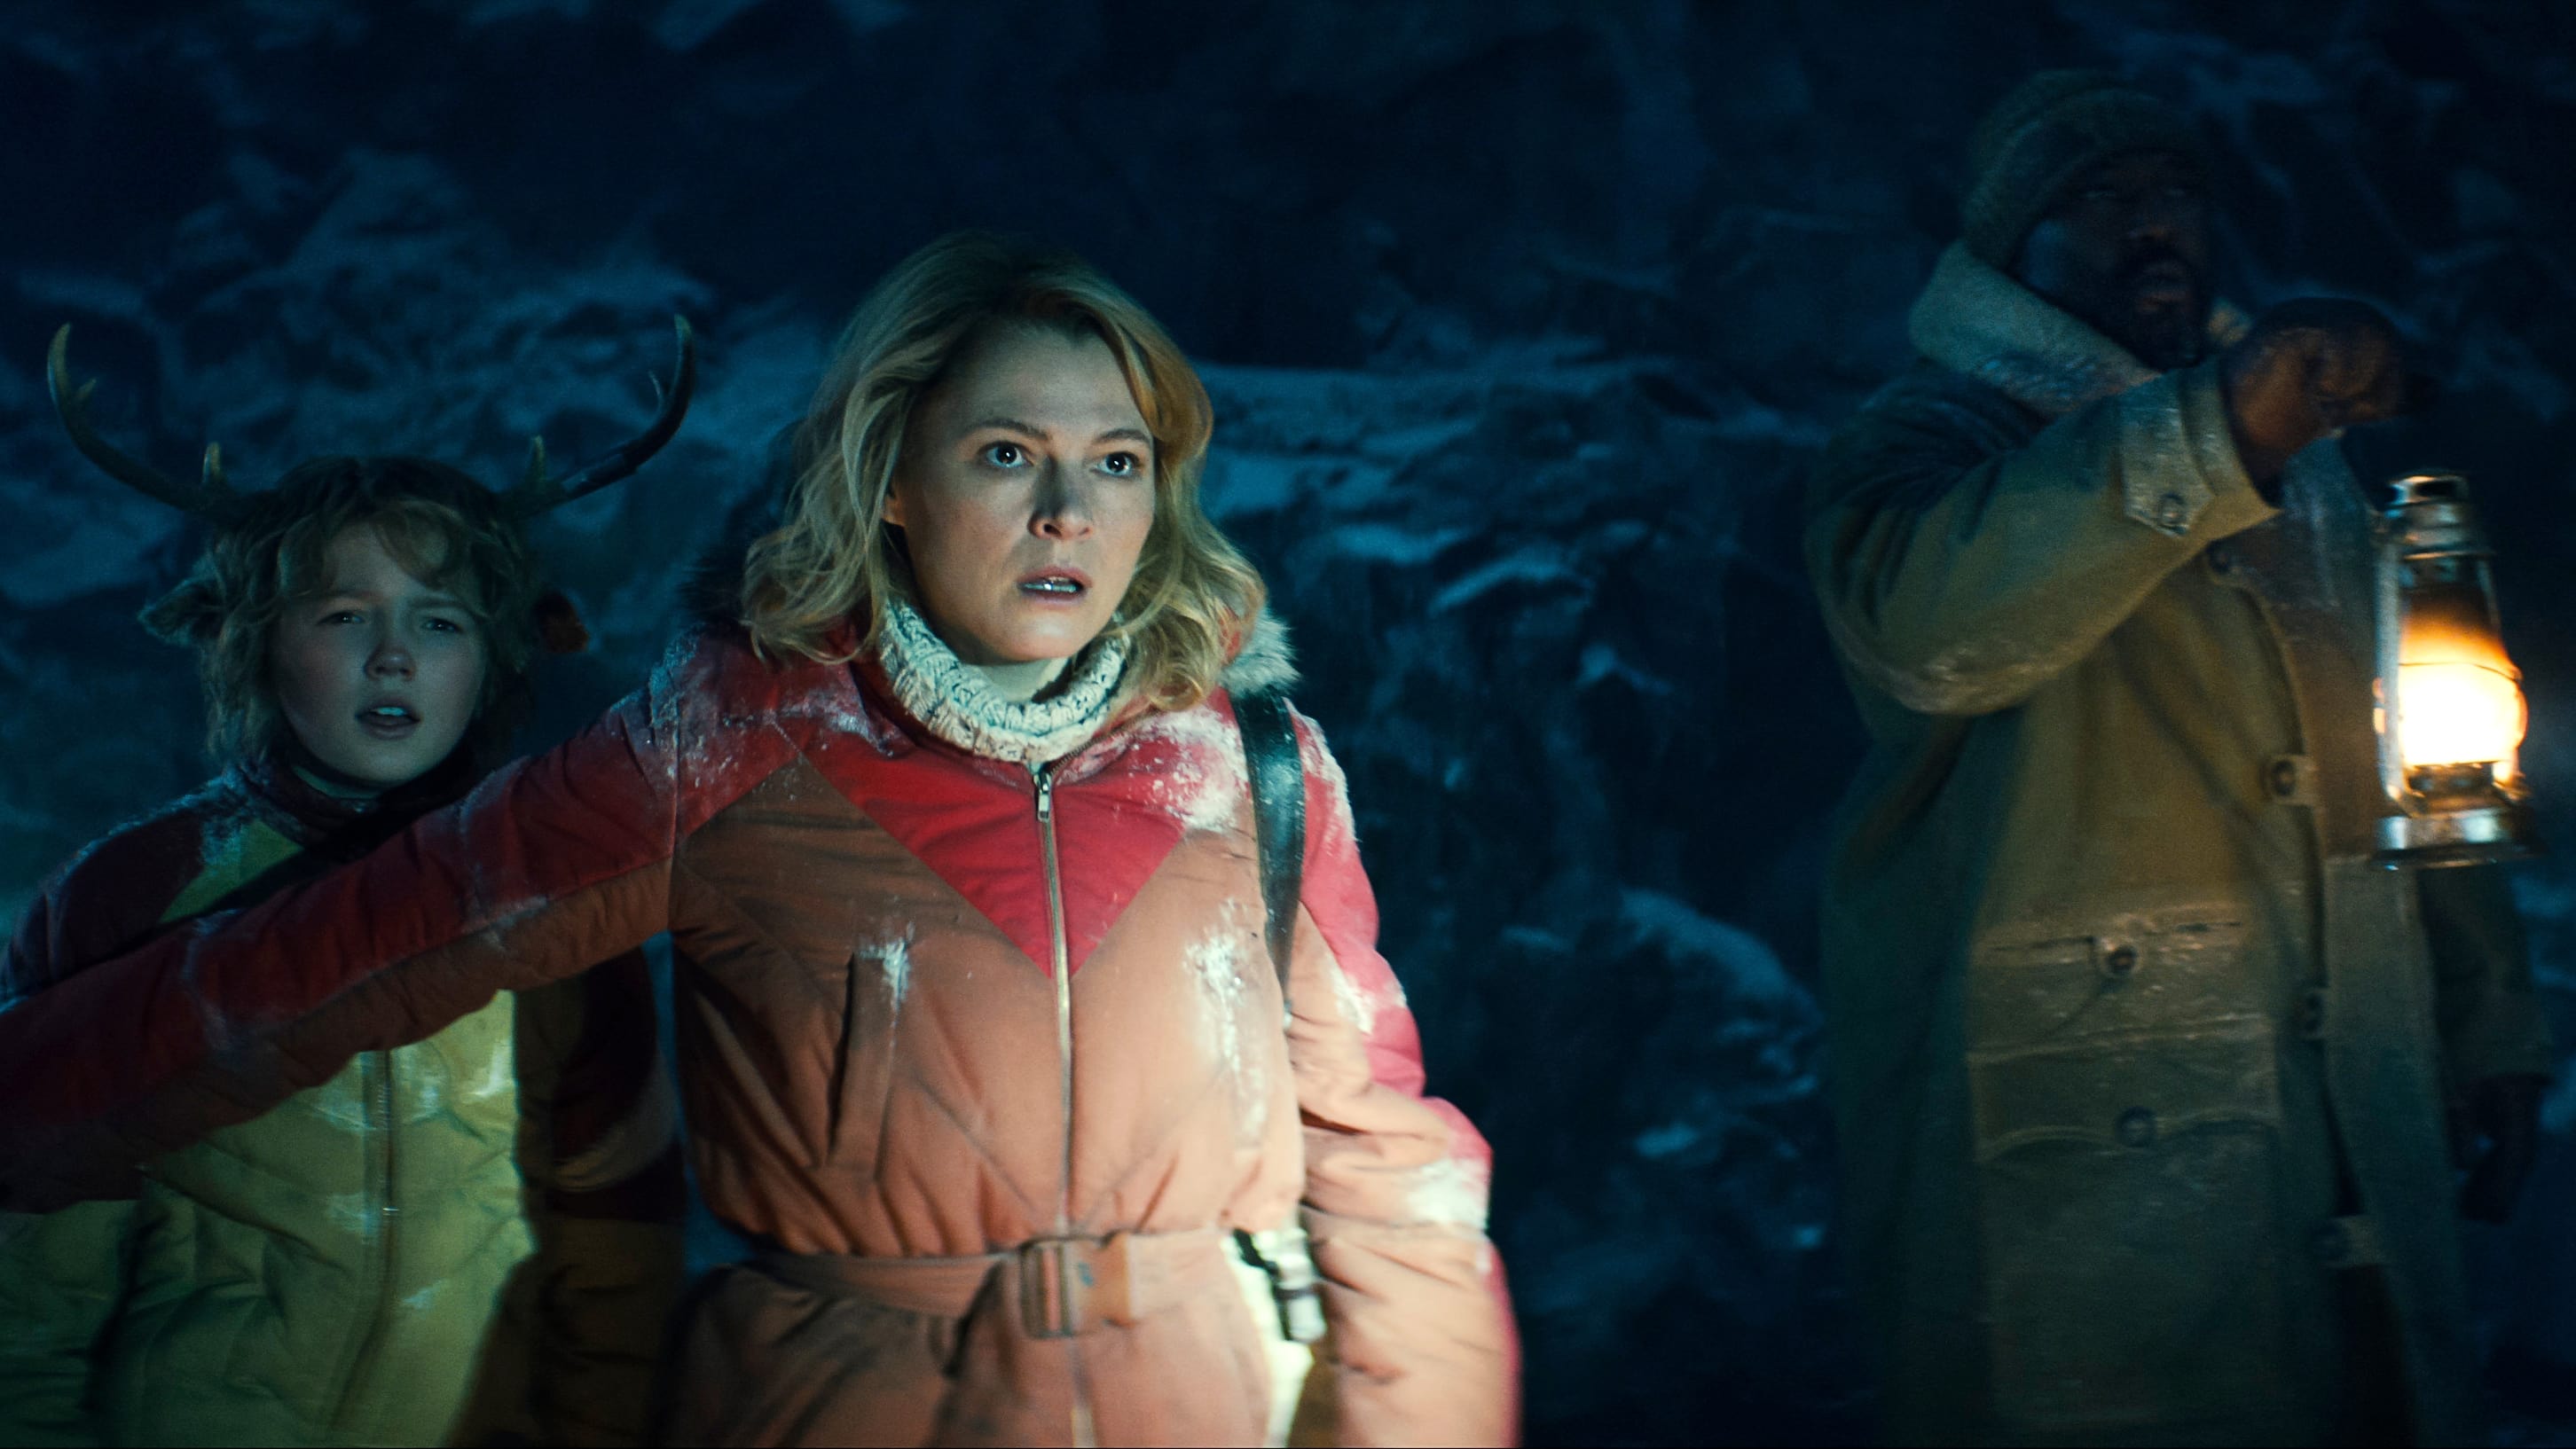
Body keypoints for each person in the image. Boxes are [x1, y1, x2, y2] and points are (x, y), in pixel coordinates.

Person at [0, 235, 1519, 1447]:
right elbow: (348, 949)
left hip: (1212, 1397)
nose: (1068, 510)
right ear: (893, 478)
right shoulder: (727, 746)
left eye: (1115, 461)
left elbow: (1390, 1170)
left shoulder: (1253, 766)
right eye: (1005, 453)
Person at [1804, 71, 2550, 1445]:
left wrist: (2486, 1007)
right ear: (2013, 246)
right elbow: (1930, 630)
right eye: (2098, 198)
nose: (2152, 225)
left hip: (2346, 1105)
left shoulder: (2299, 458)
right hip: (2087, 1150)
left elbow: (2412, 738)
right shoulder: (1924, 444)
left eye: (2177, 194)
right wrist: (2218, 436)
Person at [0, 330, 694, 1447]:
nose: (393, 655)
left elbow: (615, 1228)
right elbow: (35, 1268)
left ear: (498, 653)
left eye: (440, 620)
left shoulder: (561, 904)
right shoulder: (132, 893)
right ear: (254, 642)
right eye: (341, 615)